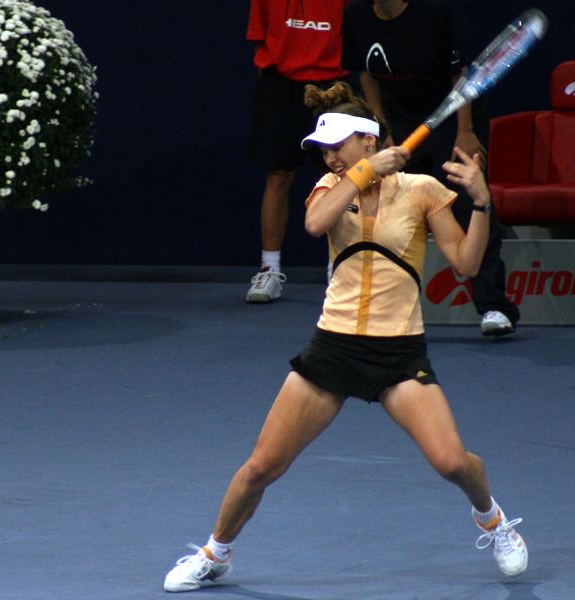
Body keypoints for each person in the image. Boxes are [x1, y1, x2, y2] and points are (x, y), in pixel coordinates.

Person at [163, 82, 528, 593]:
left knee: (451, 462)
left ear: (371, 141)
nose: (330, 156)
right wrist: (359, 175)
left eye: (340, 146)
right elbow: (314, 224)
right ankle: (214, 553)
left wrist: (483, 204)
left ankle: (492, 520)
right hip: (333, 347)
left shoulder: (422, 190)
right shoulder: (329, 190)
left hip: (399, 351)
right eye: (324, 149)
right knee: (262, 466)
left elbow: (466, 265)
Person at [341, 0, 520, 336]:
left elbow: (459, 75)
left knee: (470, 205)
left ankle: (494, 306)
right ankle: (387, 306)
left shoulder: (433, 11)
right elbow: (365, 74)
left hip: (456, 118)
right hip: (401, 120)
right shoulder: (355, 15)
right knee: (394, 205)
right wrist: (383, 128)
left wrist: (465, 132)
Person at [244, 0, 351, 303]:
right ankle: (269, 269)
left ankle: (340, 264)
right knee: (278, 175)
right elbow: (259, 39)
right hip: (280, 86)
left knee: (339, 176)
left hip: (333, 83)